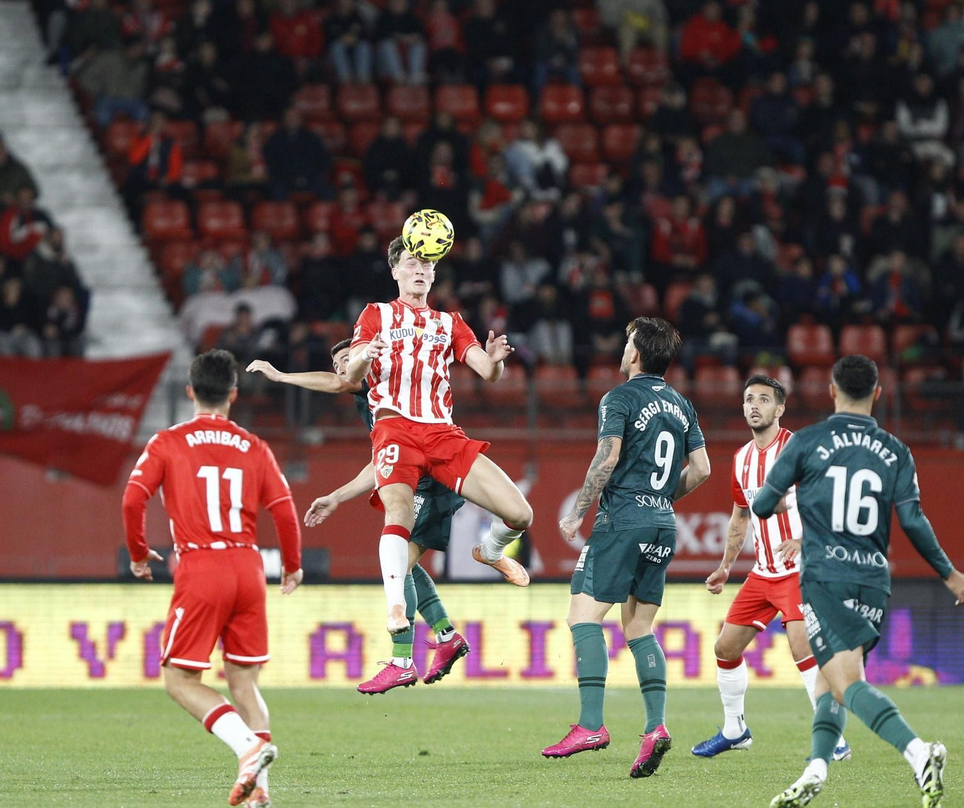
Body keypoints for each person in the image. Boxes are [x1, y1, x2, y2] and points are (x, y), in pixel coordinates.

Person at [756, 355, 964, 808]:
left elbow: (761, 503)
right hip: (873, 581)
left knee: (845, 682)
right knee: (829, 680)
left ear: (831, 391)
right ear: (877, 393)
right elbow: (913, 520)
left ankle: (919, 754)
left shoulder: (808, 441)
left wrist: (792, 500)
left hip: (825, 578)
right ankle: (816, 770)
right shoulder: (896, 450)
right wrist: (950, 573)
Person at [248, 340, 529, 694]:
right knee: (403, 563)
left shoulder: (380, 381)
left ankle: (403, 660)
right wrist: (337, 496)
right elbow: (380, 462)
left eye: (346, 358)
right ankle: (445, 635)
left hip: (431, 478)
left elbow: (336, 383)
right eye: (337, 363)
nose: (342, 368)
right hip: (421, 477)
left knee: (400, 562)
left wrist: (281, 376)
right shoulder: (373, 405)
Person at [121, 350, 303, 808]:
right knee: (244, 682)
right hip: (249, 567)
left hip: (202, 566)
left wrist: (139, 554)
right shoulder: (255, 446)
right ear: (233, 395)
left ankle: (247, 748)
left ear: (190, 391)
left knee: (179, 680)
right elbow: (284, 510)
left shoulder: (168, 442)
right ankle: (260, 789)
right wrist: (292, 565)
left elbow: (132, 500)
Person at [340, 238, 535, 634]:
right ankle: (396, 610)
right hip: (395, 429)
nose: (420, 270)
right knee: (399, 513)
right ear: (395, 271)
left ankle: (490, 551)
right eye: (412, 263)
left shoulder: (450, 323)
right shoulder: (376, 314)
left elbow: (487, 372)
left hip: (443, 433)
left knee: (520, 514)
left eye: (427, 265)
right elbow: (352, 374)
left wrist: (495, 361)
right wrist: (365, 355)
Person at [543, 317, 710, 776]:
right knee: (638, 627)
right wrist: (659, 501)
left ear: (635, 353)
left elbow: (608, 457)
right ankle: (655, 727)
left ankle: (590, 725)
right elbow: (701, 469)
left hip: (622, 521)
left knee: (582, 617)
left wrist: (577, 512)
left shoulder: (618, 398)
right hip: (663, 524)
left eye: (626, 342)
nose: (622, 349)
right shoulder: (682, 405)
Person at [692, 375, 851, 761]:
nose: (754, 405)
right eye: (749, 399)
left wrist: (804, 540)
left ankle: (834, 740)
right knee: (725, 647)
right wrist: (725, 566)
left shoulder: (800, 450)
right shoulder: (742, 458)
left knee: (801, 647)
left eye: (764, 399)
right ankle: (735, 730)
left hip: (801, 570)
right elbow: (740, 515)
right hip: (763, 573)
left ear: (780, 409)